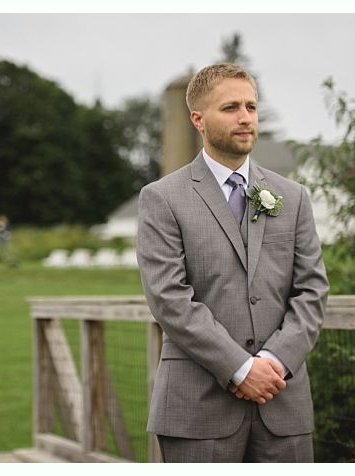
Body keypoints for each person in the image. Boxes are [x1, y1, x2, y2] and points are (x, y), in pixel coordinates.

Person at [136, 64, 328, 462]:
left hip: (283, 402)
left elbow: (312, 290)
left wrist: (273, 363)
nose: (245, 118)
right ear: (198, 119)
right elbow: (169, 298)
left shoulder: (292, 197)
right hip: (197, 408)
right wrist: (240, 368)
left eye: (251, 107)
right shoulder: (162, 198)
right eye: (230, 108)